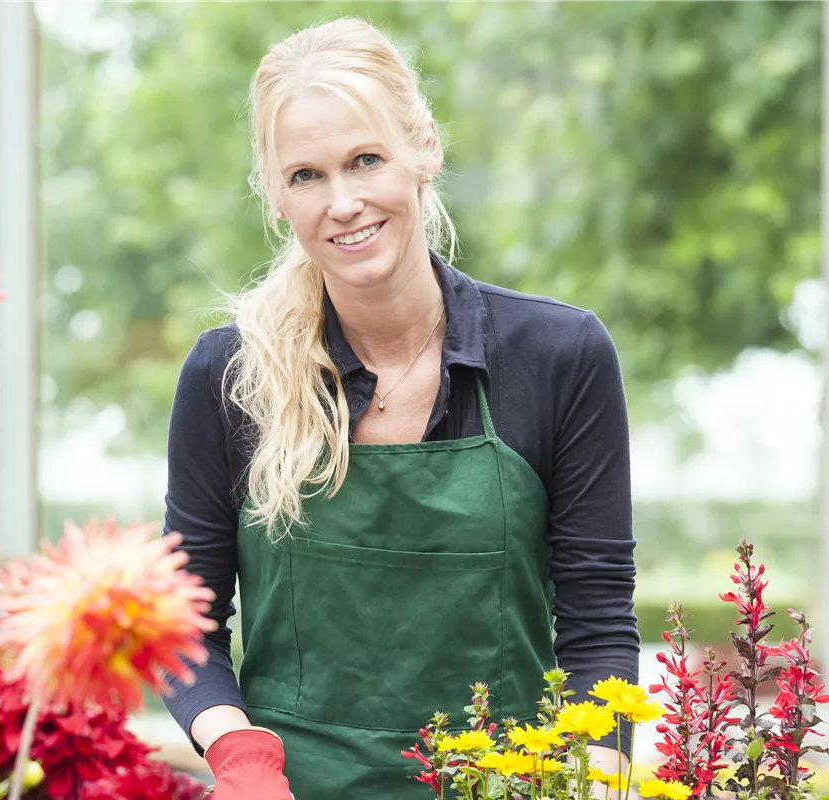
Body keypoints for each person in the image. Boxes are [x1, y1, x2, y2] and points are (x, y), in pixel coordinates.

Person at [160, 16, 639, 799]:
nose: (342, 202)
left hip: (506, 788)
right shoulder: (229, 373)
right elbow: (184, 629)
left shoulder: (560, 355)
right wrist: (238, 755)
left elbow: (597, 626)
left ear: (425, 149)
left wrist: (596, 782)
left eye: (366, 160)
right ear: (276, 197)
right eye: (306, 175)